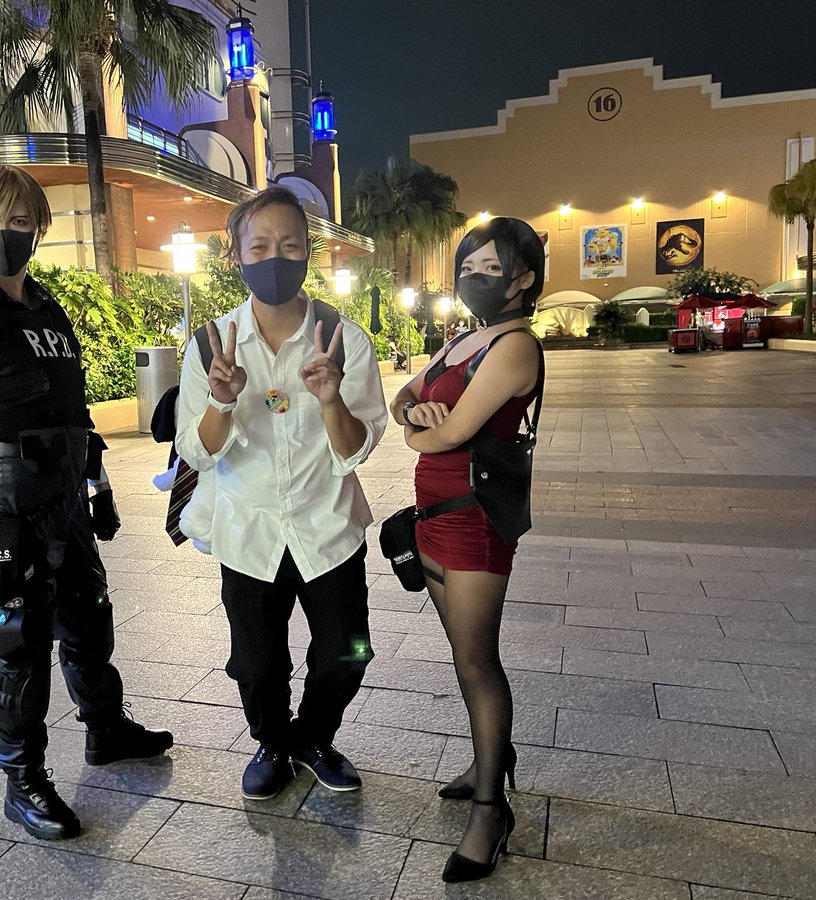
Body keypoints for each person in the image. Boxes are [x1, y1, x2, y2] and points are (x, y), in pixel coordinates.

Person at [0, 164, 172, 841]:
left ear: (39, 228)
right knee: (20, 644)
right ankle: (22, 782)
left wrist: (99, 488)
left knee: (89, 620)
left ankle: (106, 730)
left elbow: (75, 414)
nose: (8, 232)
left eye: (21, 220)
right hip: (4, 498)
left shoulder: (49, 310)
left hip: (64, 495)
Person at [174, 187, 387, 801]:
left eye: (290, 246)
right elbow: (197, 451)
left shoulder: (342, 339)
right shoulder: (211, 345)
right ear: (236, 256)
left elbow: (355, 451)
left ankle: (314, 739)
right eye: (260, 246)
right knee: (257, 662)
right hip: (249, 530)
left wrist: (331, 400)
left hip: (328, 526)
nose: (275, 258)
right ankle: (271, 742)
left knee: (348, 651)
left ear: (308, 253)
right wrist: (220, 400)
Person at [388, 217, 545, 883]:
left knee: (477, 660)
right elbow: (404, 398)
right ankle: (490, 758)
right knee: (462, 654)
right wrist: (414, 415)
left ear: (524, 278)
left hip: (475, 520)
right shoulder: (461, 340)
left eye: (491, 268)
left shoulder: (514, 346)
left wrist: (417, 429)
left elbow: (447, 436)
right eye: (468, 266)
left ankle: (491, 809)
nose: (474, 278)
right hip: (431, 514)